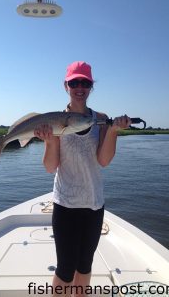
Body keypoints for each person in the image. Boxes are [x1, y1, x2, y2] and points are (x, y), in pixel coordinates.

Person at [34, 61, 131, 297]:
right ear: (66, 85)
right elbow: (50, 167)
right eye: (74, 82)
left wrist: (114, 131)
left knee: (85, 266)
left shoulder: (101, 119)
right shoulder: (55, 120)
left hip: (94, 204)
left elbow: (104, 160)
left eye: (85, 82)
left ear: (91, 87)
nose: (80, 87)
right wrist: (49, 140)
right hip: (66, 204)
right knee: (66, 270)